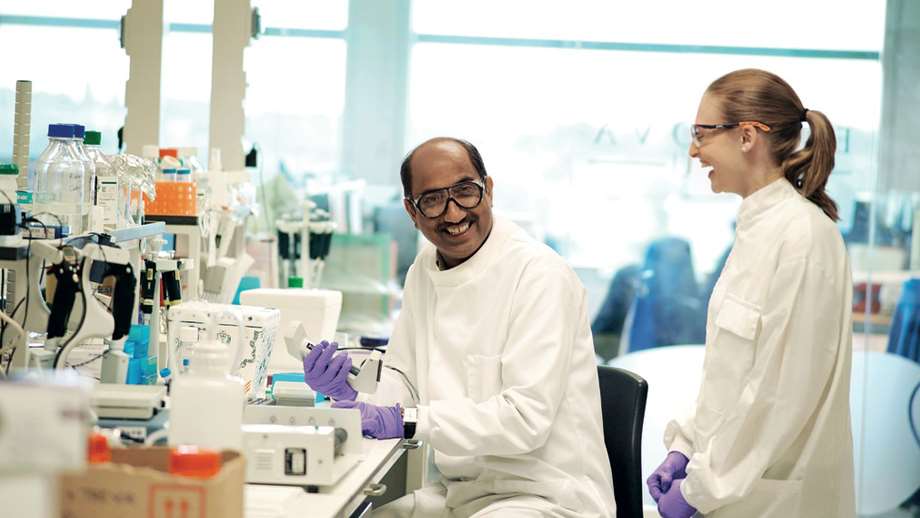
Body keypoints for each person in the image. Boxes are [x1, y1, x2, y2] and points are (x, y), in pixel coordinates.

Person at [302, 137, 616, 517]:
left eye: (465, 192)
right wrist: (352, 389)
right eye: (432, 200)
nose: (452, 214)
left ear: (489, 190)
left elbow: (524, 420)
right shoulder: (425, 269)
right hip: (463, 494)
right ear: (411, 211)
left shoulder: (539, 275)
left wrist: (400, 420)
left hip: (547, 497)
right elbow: (406, 380)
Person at [646, 68, 855, 518]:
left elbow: (780, 394)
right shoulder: (757, 228)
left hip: (772, 497)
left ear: (746, 136)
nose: (693, 149)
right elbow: (730, 372)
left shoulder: (803, 237)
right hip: (734, 489)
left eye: (702, 133)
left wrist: (702, 487)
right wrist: (685, 445)